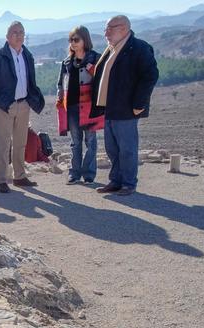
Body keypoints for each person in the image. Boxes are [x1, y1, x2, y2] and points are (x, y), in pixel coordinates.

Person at [89, 15, 158, 196]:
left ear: (124, 28)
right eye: (105, 28)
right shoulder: (111, 49)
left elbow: (150, 76)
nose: (106, 32)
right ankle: (115, 181)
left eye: (111, 28)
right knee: (112, 148)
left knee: (127, 149)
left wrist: (139, 104)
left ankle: (128, 183)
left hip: (127, 108)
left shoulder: (139, 48)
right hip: (110, 107)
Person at [0, 21, 44, 194]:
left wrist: (33, 99)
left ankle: (19, 176)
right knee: (3, 144)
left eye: (21, 32)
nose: (19, 35)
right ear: (7, 37)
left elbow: (30, 80)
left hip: (24, 104)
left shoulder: (27, 55)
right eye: (15, 32)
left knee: (20, 142)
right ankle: (1, 180)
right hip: (5, 106)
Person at [57, 26, 102, 185]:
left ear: (85, 40)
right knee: (75, 142)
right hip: (72, 107)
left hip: (89, 107)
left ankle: (89, 174)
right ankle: (74, 174)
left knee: (91, 141)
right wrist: (60, 99)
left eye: (76, 40)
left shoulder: (95, 58)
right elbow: (60, 84)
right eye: (71, 40)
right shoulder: (66, 62)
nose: (73, 43)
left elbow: (102, 81)